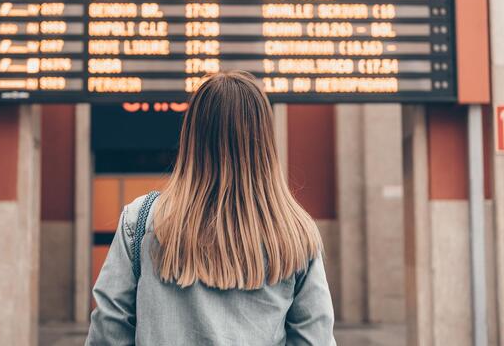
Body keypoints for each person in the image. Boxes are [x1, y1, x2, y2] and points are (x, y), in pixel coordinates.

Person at [86, 71, 336, 345]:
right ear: (264, 139)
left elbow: (107, 332)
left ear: (192, 134)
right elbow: (315, 339)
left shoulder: (141, 220)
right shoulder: (296, 233)